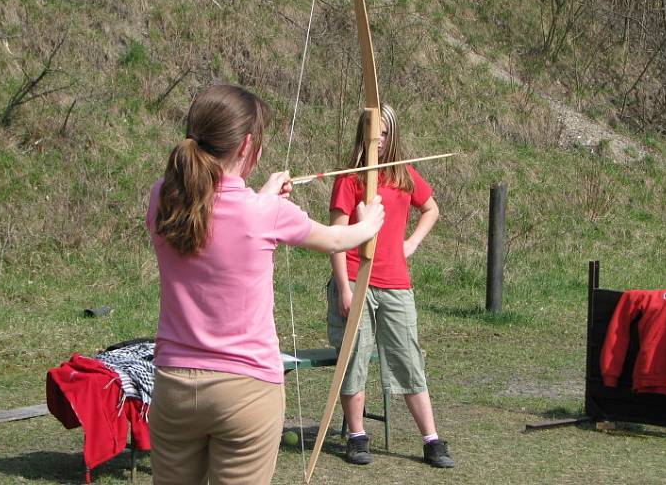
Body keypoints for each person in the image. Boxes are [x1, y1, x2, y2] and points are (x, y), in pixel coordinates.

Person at [145, 84, 384, 485]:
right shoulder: (265, 212)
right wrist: (371, 221)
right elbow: (337, 239)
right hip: (246, 390)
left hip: (174, 384)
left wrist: (265, 194)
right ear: (247, 145)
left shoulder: (163, 197)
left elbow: (219, 213)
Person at [327, 102, 454, 469]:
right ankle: (356, 435)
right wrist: (344, 289)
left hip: (396, 284)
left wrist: (411, 244)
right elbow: (336, 236)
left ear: (392, 133)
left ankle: (431, 439)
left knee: (407, 359)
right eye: (372, 131)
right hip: (356, 280)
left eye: (383, 131)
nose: (378, 139)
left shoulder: (402, 175)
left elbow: (431, 208)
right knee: (354, 359)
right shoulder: (350, 177)